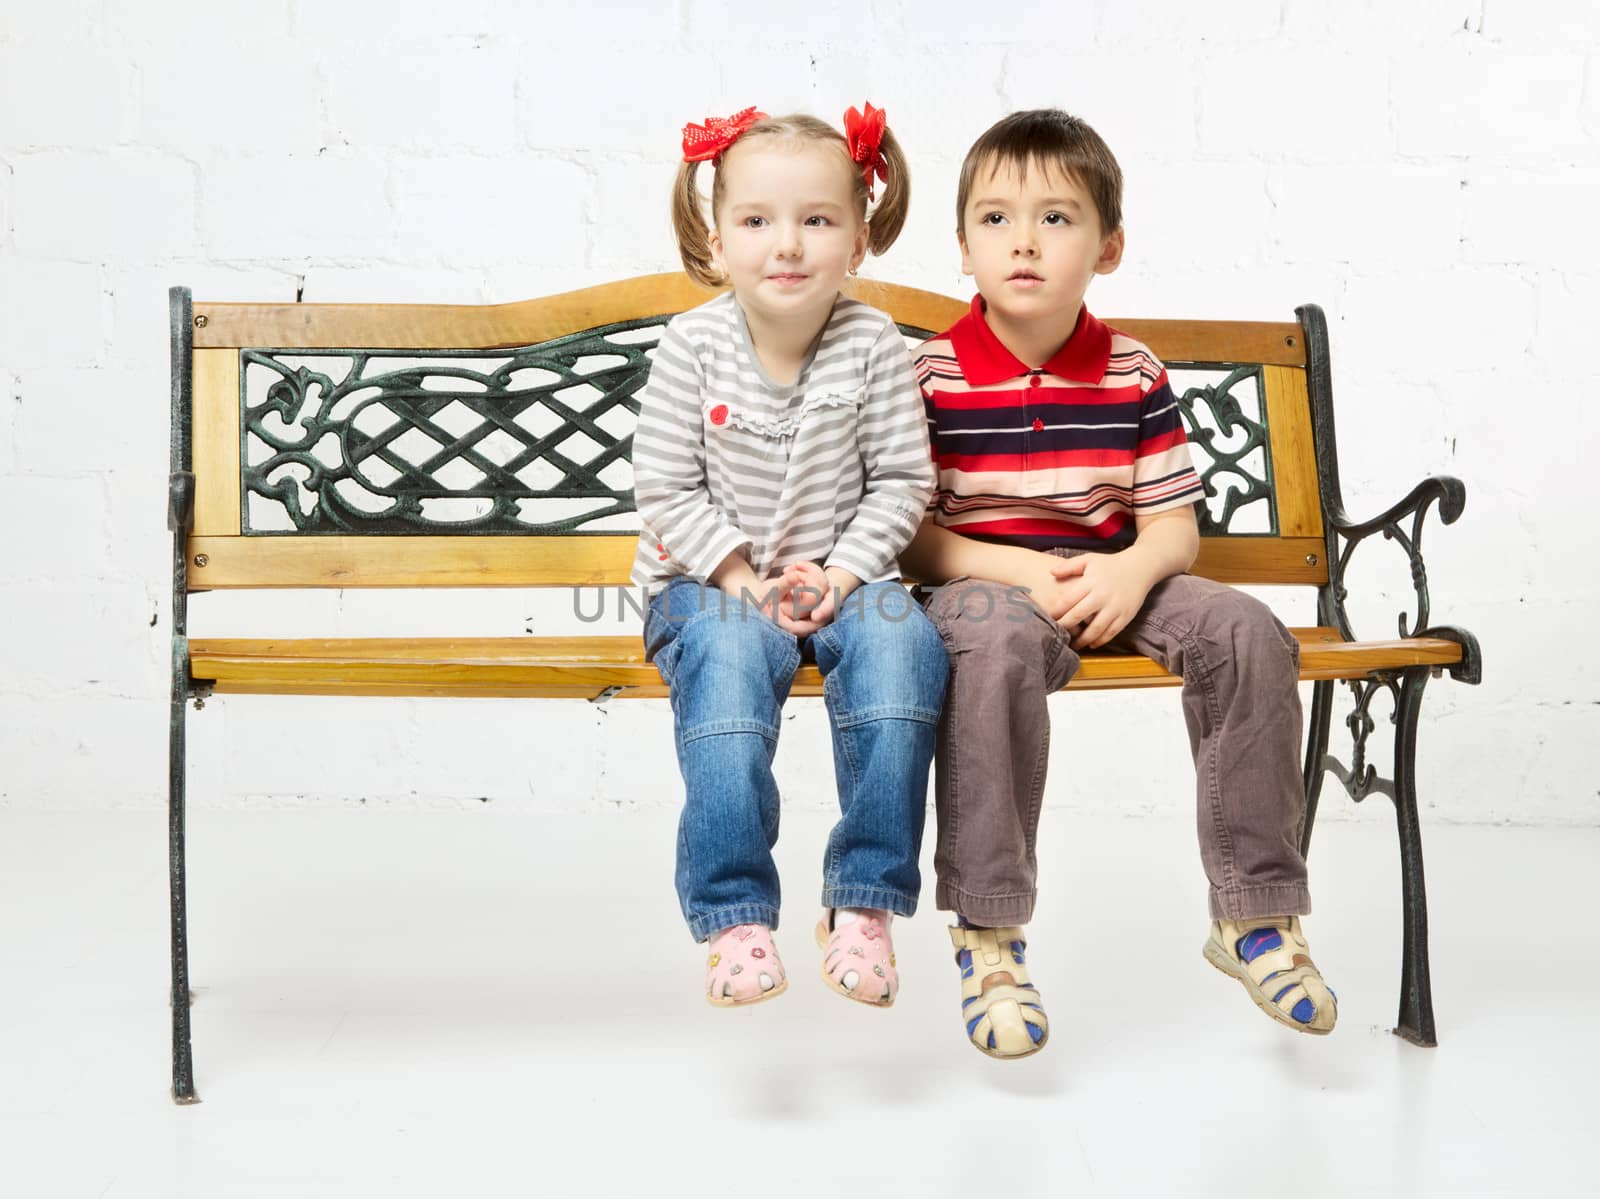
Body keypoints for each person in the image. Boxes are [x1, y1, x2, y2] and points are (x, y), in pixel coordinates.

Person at [900, 108, 1337, 1058]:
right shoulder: (929, 372)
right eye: (995, 219)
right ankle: (989, 936)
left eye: (1057, 219)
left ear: (1109, 248)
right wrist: (1017, 568)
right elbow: (916, 542)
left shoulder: (1133, 369)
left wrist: (1131, 570)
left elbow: (1173, 526)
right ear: (963, 248)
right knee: (992, 640)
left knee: (1246, 630)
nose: (1024, 241)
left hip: (1119, 577)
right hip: (988, 585)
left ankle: (1256, 916)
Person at [632, 104, 947, 1009]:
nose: (788, 244)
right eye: (757, 220)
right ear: (717, 236)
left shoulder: (874, 345)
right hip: (705, 584)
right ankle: (735, 916)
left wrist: (842, 575)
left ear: (858, 236)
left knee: (905, 650)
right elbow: (665, 488)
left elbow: (898, 479)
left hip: (844, 584)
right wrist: (740, 579)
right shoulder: (692, 346)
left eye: (817, 219)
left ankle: (864, 904)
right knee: (731, 656)